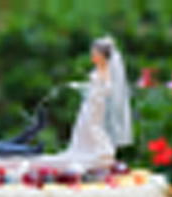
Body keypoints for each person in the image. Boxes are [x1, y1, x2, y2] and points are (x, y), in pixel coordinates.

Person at [47, 36, 133, 168]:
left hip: (96, 103)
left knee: (94, 126)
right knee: (84, 125)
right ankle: (87, 149)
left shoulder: (106, 71)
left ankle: (104, 149)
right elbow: (93, 85)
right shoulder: (98, 70)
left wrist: (97, 94)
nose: (92, 56)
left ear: (102, 55)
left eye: (95, 53)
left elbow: (108, 88)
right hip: (90, 102)